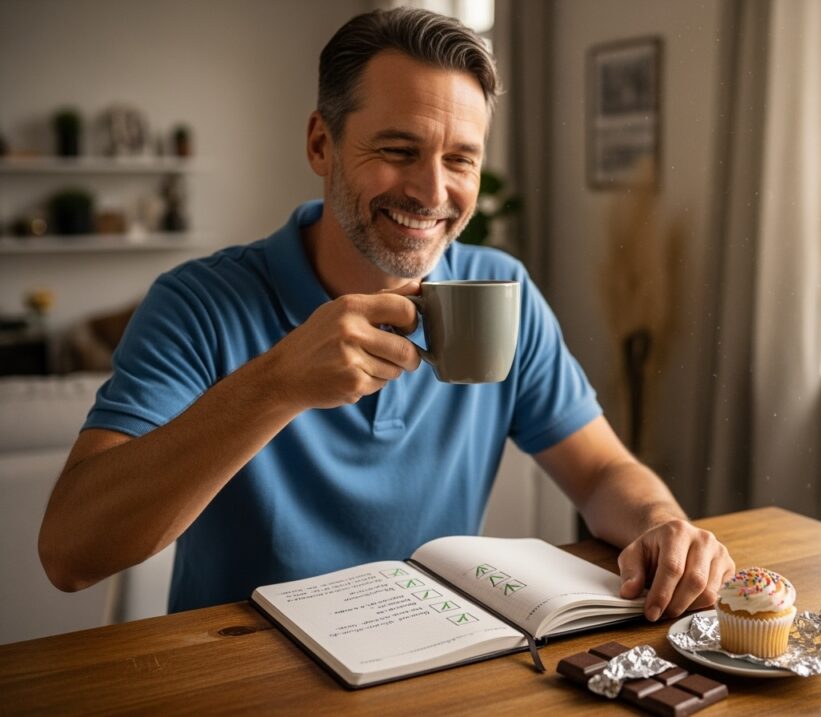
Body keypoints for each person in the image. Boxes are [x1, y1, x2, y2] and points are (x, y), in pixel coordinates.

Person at [39, 7, 734, 619]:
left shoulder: (499, 288)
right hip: (242, 684)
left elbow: (601, 471)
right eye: (399, 151)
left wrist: (664, 526)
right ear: (321, 144)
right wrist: (277, 382)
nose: (433, 191)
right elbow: (70, 553)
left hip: (431, 671)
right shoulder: (197, 304)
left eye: (460, 159)